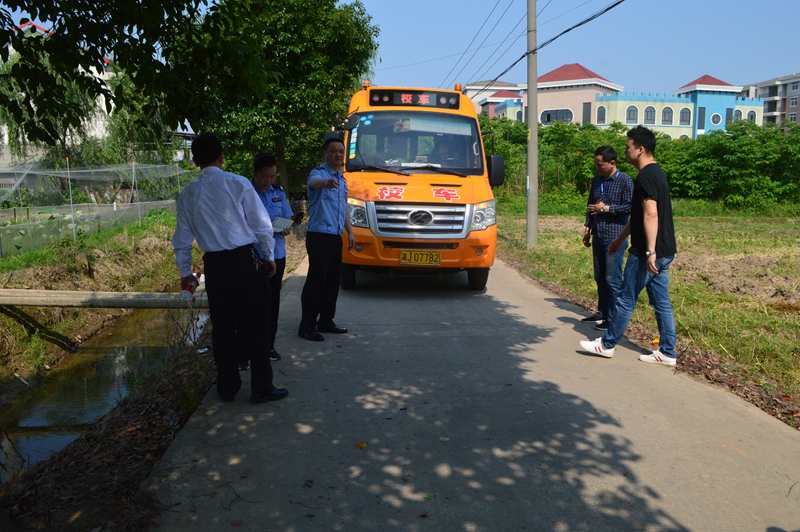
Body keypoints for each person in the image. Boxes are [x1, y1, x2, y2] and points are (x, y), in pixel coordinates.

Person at [172, 133, 288, 402]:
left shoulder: (187, 194)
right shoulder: (237, 183)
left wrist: (184, 273)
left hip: (215, 266)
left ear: (194, 160)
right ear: (222, 157)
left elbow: (182, 241)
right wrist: (269, 257)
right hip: (245, 262)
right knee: (258, 323)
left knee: (223, 328)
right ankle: (261, 387)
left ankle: (227, 387)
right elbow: (261, 225)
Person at [579, 126, 678, 366]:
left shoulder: (645, 177)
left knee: (625, 297)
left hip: (648, 252)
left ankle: (607, 344)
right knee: (660, 301)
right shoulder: (656, 173)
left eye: (628, 146)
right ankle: (667, 352)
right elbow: (637, 215)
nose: (626, 150)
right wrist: (621, 238)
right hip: (665, 250)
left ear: (640, 149)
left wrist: (650, 251)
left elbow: (651, 215)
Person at [298, 137, 355, 341]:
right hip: (319, 236)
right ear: (324, 154)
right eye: (333, 151)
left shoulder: (342, 179)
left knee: (332, 282)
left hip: (335, 237)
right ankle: (307, 326)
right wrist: (326, 183)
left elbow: (344, 207)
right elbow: (315, 184)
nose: (338, 154)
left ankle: (326, 321)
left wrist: (350, 231)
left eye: (341, 151)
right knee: (316, 282)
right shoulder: (319, 173)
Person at [581, 146, 633, 332]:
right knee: (600, 276)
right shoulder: (597, 180)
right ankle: (602, 312)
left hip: (615, 236)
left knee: (612, 278)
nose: (597, 168)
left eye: (600, 165)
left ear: (612, 163)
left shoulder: (625, 181)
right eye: (596, 164)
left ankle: (614, 318)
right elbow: (591, 205)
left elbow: (630, 208)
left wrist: (606, 208)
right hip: (598, 234)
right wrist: (588, 229)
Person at [251, 152, 293, 362]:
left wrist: (285, 227)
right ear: (255, 173)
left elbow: (287, 215)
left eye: (272, 176)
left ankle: (269, 345)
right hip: (254, 256)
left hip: (277, 254)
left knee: (272, 301)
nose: (268, 181)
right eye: (264, 176)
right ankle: (249, 350)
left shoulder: (278, 192)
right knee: (252, 304)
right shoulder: (247, 193)